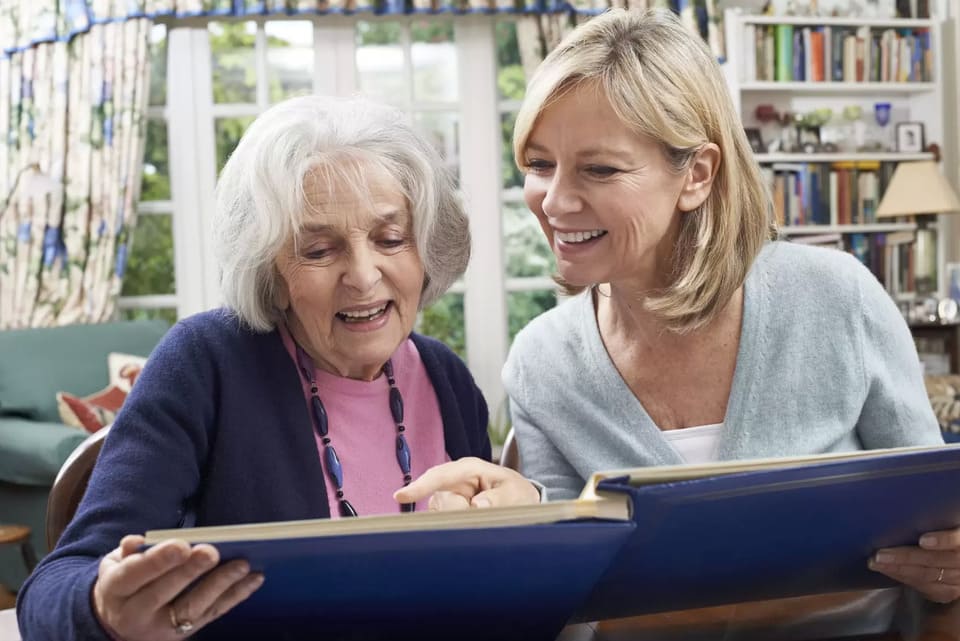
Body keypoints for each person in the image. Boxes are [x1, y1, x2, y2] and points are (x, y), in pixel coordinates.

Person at [496, 6, 957, 637]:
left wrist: (947, 563)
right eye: (539, 164)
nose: (553, 201)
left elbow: (936, 526)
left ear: (697, 174)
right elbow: (560, 607)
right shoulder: (541, 362)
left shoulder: (837, 299)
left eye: (599, 169)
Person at [16, 94, 535, 641]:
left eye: (390, 239)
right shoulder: (205, 365)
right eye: (319, 250)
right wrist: (104, 610)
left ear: (424, 250)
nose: (363, 275)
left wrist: (524, 532)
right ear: (271, 272)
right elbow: (55, 587)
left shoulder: (446, 380)